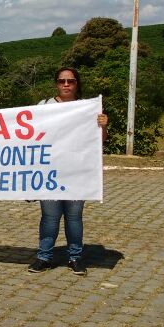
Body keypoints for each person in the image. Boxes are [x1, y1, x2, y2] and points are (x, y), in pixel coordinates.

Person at [28, 67, 108, 276]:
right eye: (62, 81)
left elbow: (99, 141)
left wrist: (103, 126)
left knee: (74, 217)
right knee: (50, 217)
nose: (66, 85)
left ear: (76, 84)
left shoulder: (88, 108)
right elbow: (30, 135)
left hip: (77, 172)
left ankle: (75, 257)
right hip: (49, 171)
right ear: (56, 83)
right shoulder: (44, 106)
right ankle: (44, 257)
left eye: (70, 81)